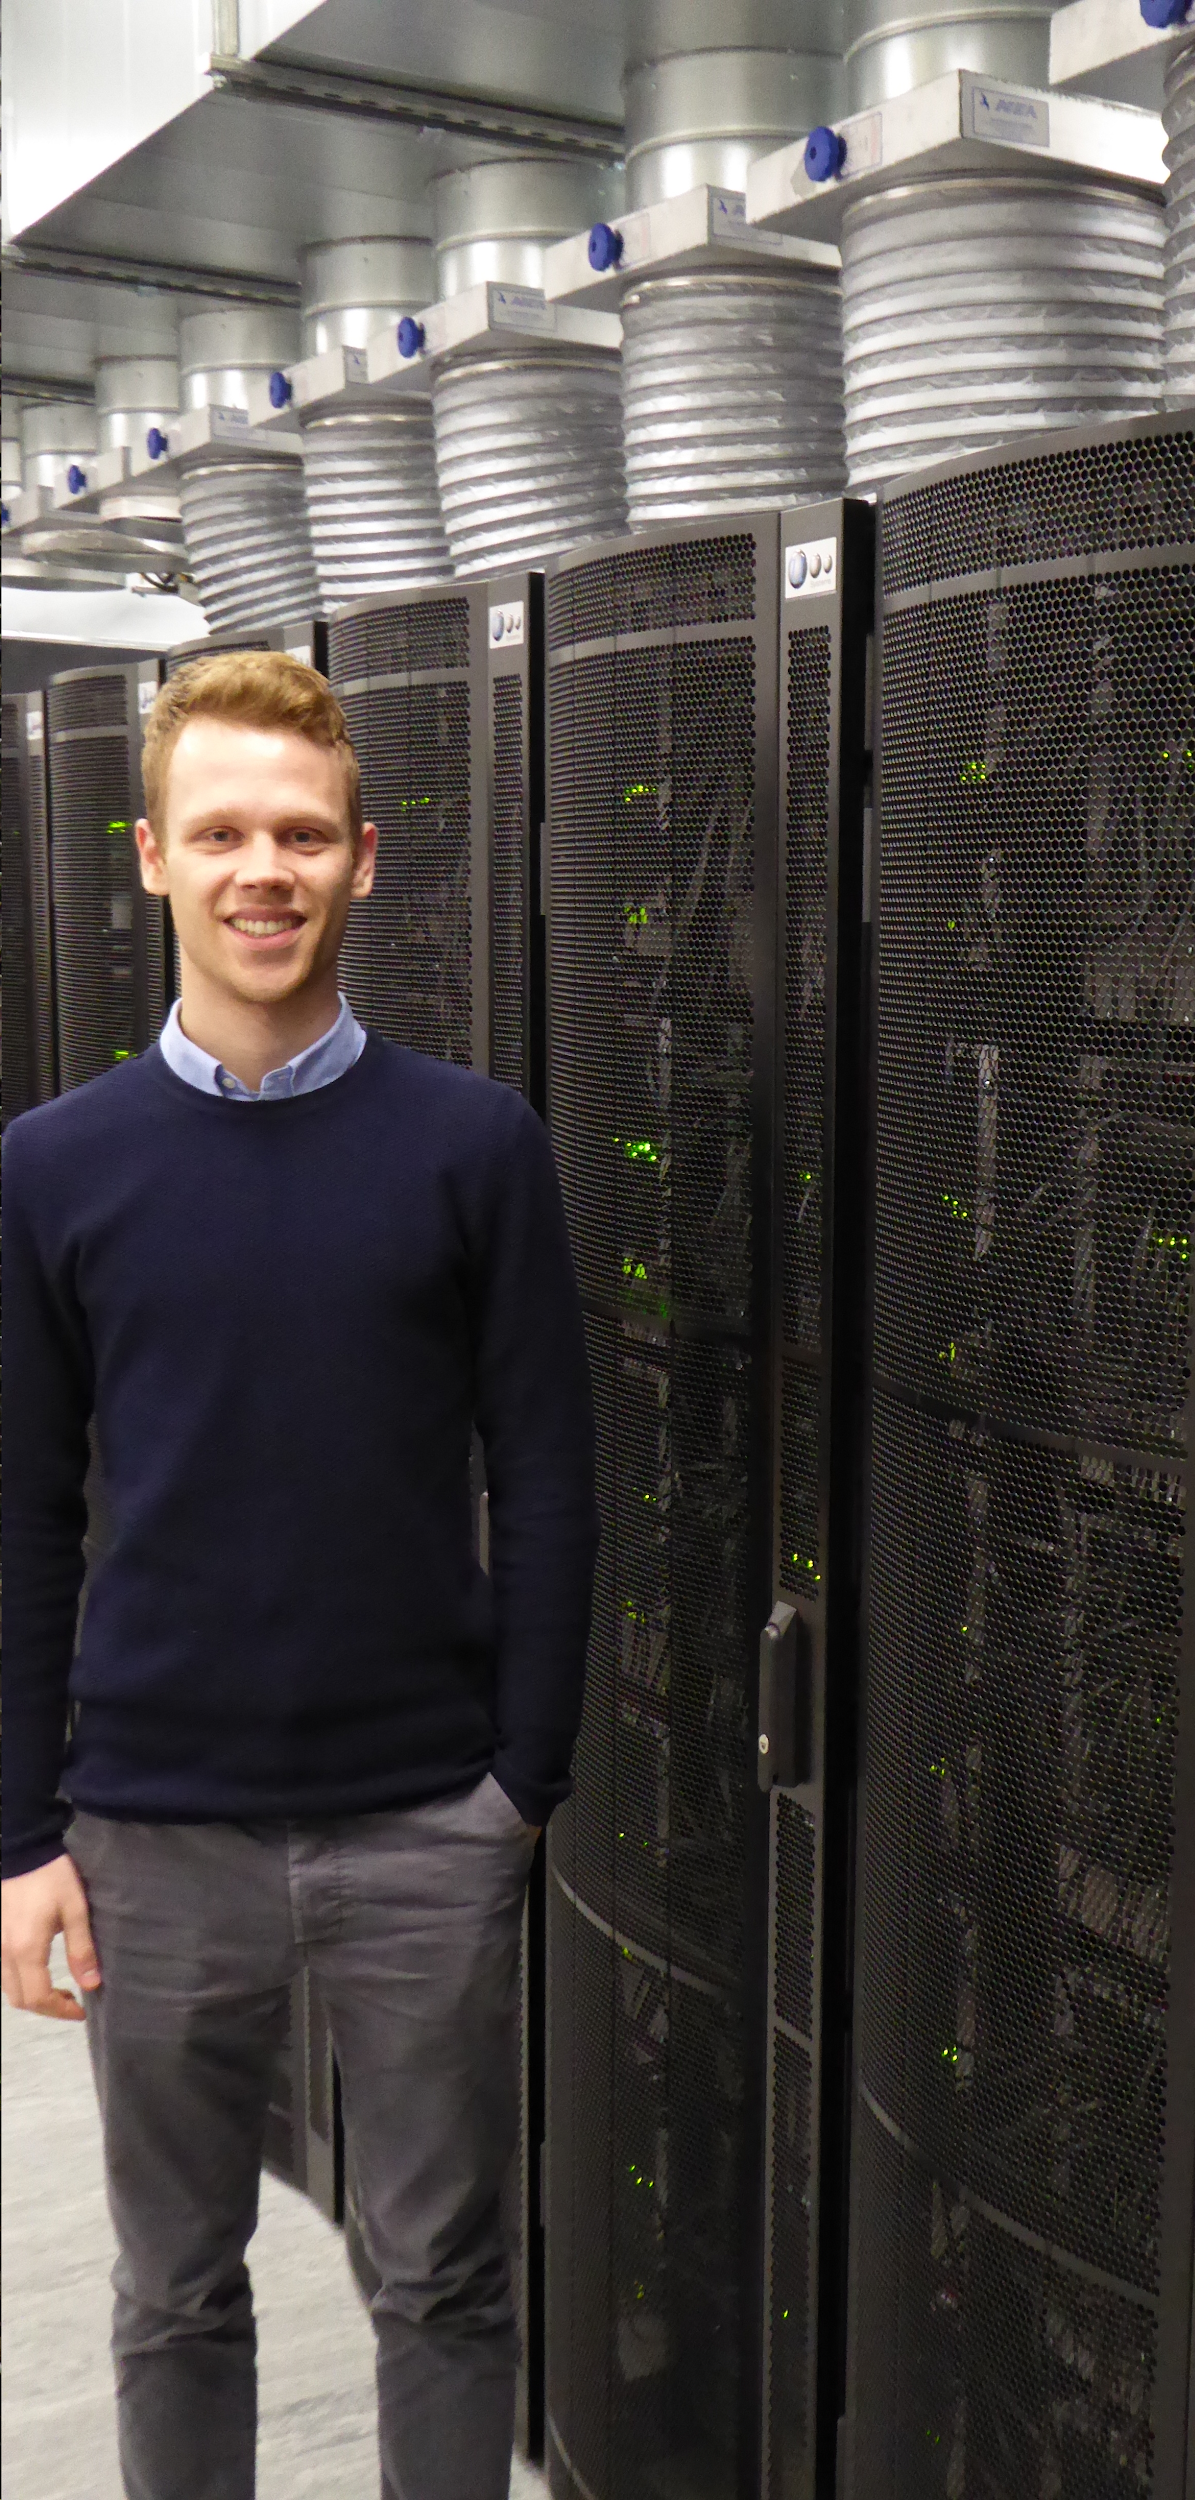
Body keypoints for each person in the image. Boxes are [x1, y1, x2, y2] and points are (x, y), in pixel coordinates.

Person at [0, 650, 598, 2500]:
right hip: (152, 1828)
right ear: (154, 861)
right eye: (224, 833)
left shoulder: (474, 1148)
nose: (265, 867)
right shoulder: (53, 1167)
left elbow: (554, 1474)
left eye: (302, 833)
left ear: (362, 862)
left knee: (439, 2276)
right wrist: (23, 1839)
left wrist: (522, 1784)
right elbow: (19, 1516)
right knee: (176, 2287)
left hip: (426, 1818)